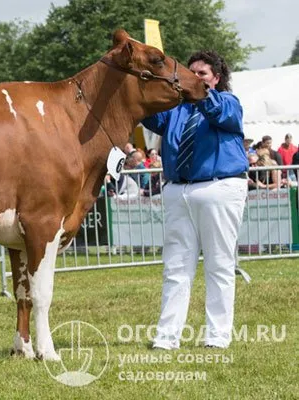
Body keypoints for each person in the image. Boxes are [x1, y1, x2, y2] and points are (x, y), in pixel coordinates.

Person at [141, 50, 248, 350]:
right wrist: (147, 83)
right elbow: (148, 114)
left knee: (219, 264)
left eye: (201, 73)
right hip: (178, 190)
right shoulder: (177, 109)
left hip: (219, 188)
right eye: (191, 72)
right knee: (175, 267)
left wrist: (196, 90)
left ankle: (217, 336)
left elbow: (216, 112)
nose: (195, 76)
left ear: (216, 77)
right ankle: (167, 336)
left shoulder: (228, 101)